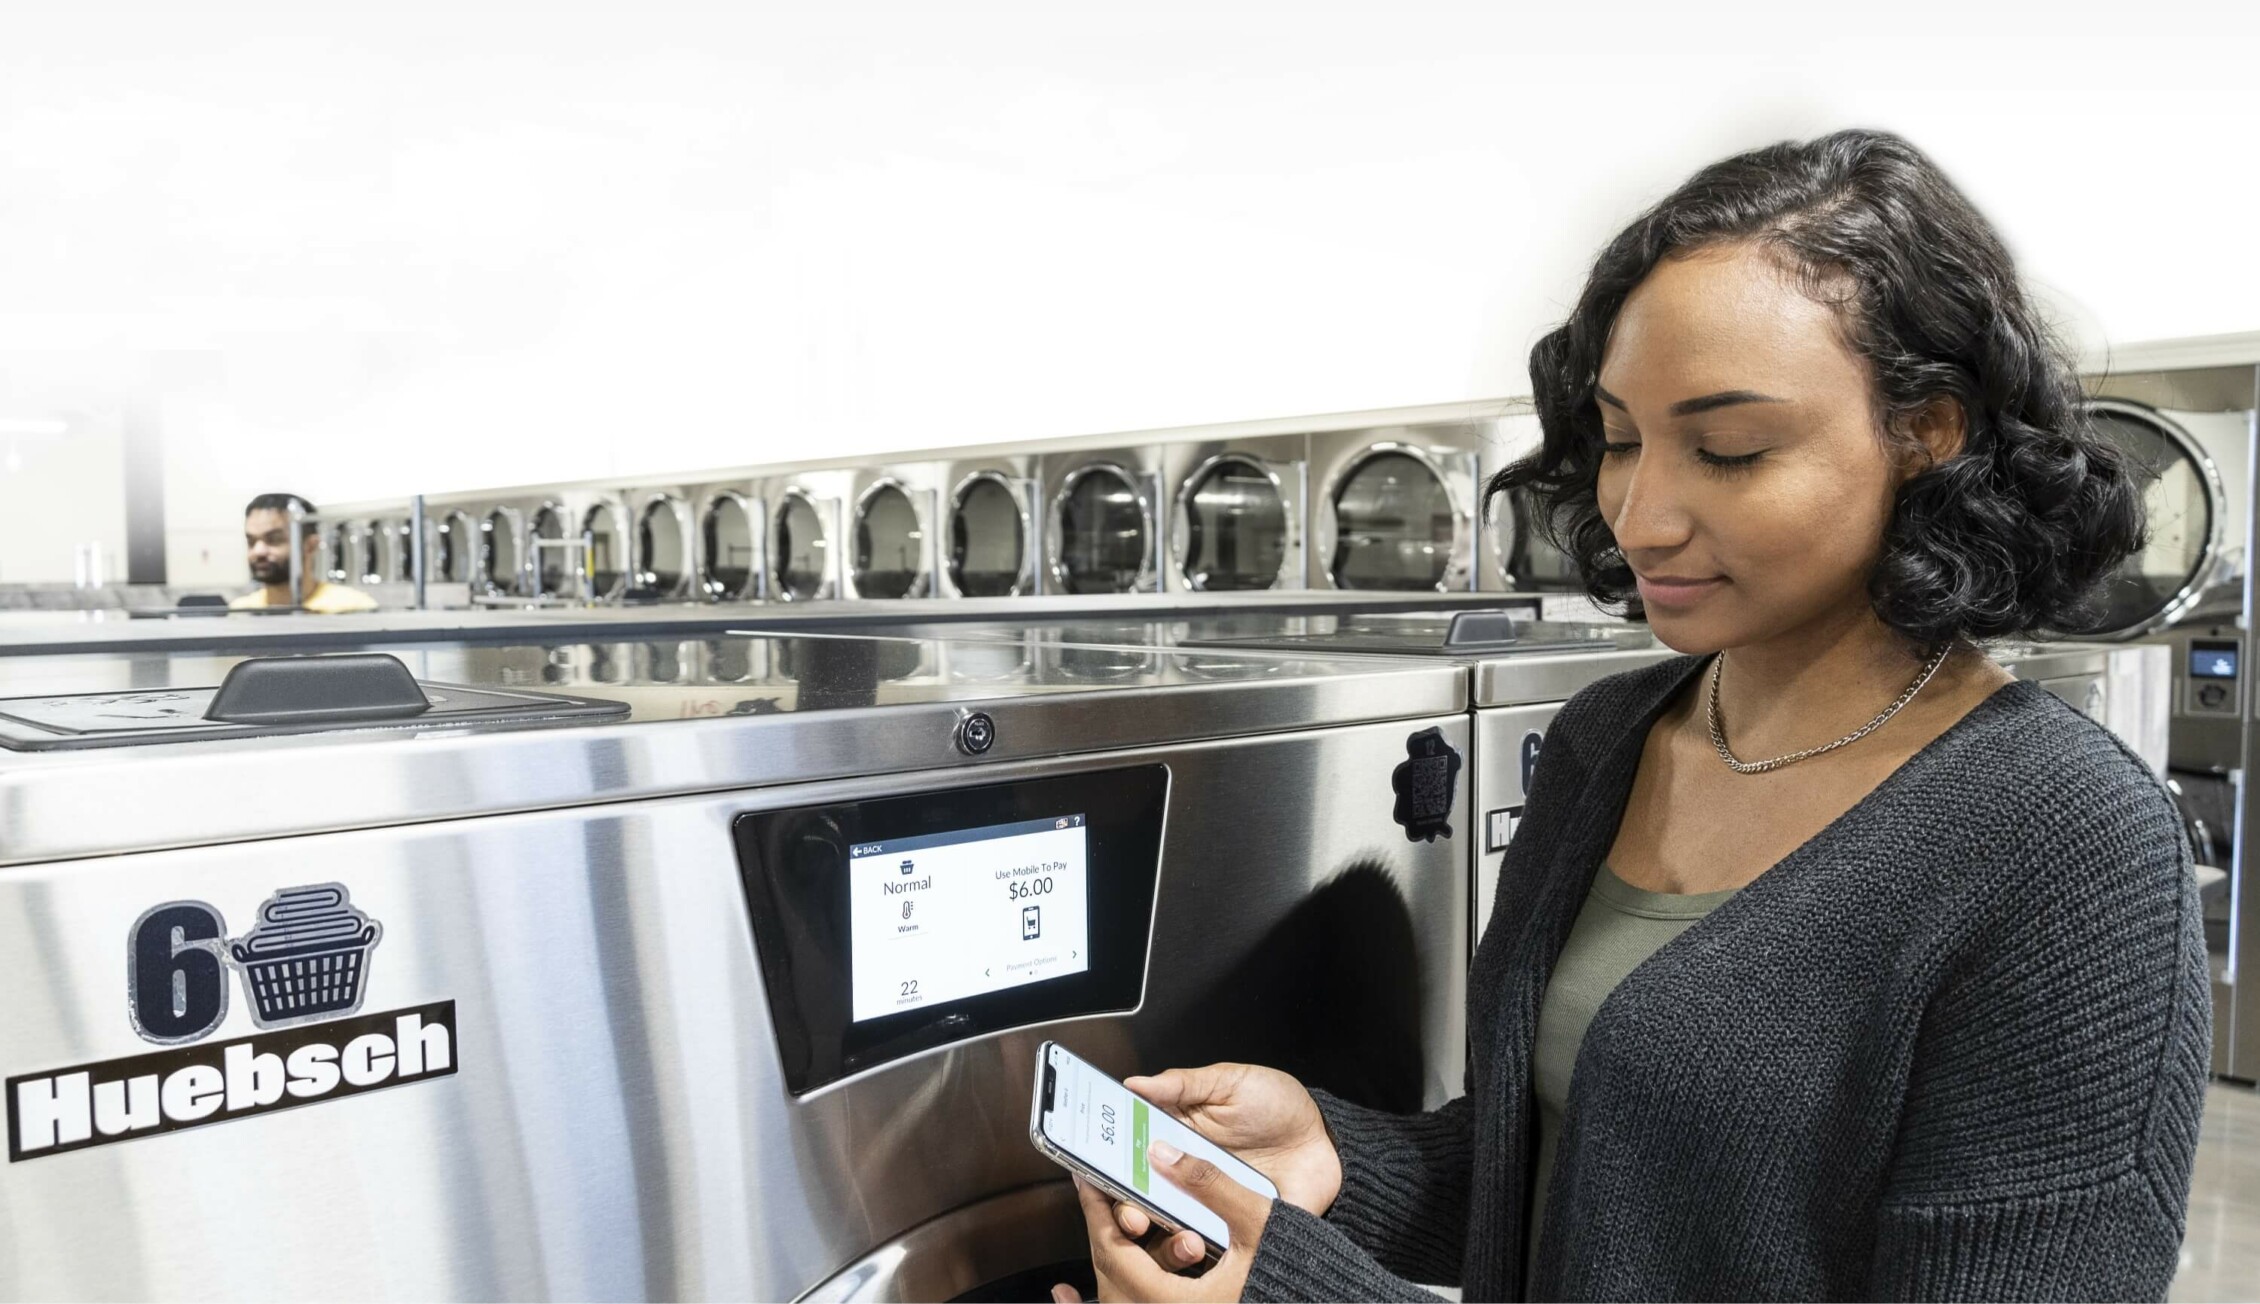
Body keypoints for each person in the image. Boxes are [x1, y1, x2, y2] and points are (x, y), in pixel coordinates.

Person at [1058, 129, 2210, 1302]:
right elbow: (1604, 1186)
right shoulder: (1612, 737)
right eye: (1618, 439)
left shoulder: (2068, 848)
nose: (1639, 514)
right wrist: (1337, 1158)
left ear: (1928, 430)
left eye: (1727, 448)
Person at [230, 493, 380, 614]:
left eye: (274, 540)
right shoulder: (241, 611)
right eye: (251, 541)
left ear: (310, 545)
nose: (259, 551)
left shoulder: (352, 608)